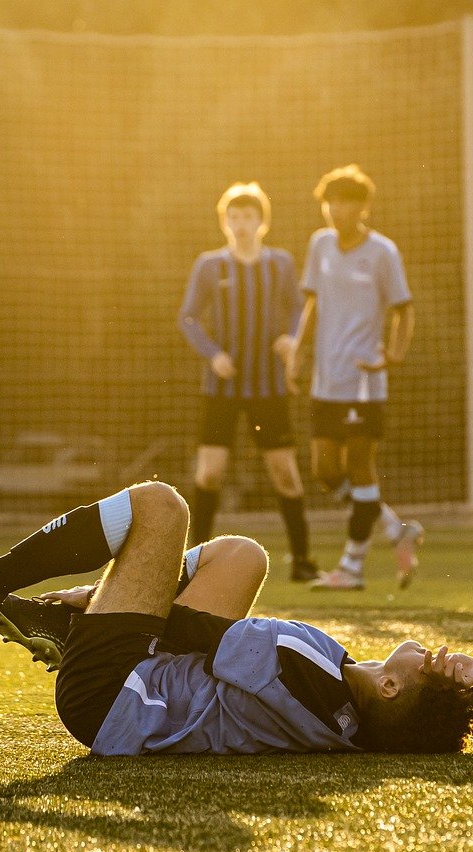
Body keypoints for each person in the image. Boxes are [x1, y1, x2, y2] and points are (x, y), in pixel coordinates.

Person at [0, 481, 473, 756]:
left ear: (391, 686)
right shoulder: (344, 706)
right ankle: (64, 627)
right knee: (244, 555)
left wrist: (99, 600)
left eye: (433, 668)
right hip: (146, 687)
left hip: (109, 694)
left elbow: (187, 628)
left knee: (161, 508)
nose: (439, 654)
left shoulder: (311, 675)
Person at [287, 164, 424, 591]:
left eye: (345, 200)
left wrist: (394, 356)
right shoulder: (320, 245)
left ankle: (352, 568)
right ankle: (394, 527)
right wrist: (295, 350)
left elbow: (404, 309)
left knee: (360, 467)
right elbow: (310, 304)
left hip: (364, 381)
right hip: (326, 381)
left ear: (362, 206)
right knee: (326, 471)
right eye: (330, 200)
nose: (336, 209)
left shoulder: (383, 252)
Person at [177, 182, 318, 583]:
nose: (241, 224)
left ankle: (303, 561)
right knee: (209, 474)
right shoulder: (210, 265)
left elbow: (297, 310)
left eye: (248, 217)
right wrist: (213, 354)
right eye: (233, 217)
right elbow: (187, 318)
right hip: (221, 389)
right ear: (225, 222)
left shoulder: (280, 264)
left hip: (269, 388)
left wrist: (292, 338)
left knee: (285, 473)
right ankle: (192, 567)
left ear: (262, 222)